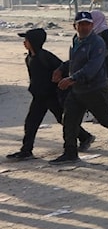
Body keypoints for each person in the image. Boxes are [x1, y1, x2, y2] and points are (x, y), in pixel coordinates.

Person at [49, 11, 108, 164]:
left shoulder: (97, 43)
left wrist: (72, 79)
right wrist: (61, 68)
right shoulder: (75, 40)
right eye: (81, 25)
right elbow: (74, 62)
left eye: (87, 24)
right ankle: (70, 152)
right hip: (78, 89)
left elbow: (92, 67)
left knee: (106, 119)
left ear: (92, 26)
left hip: (95, 89)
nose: (84, 28)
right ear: (75, 26)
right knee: (69, 119)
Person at [7, 28, 94, 161]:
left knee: (63, 120)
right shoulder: (29, 58)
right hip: (39, 97)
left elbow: (63, 68)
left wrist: (62, 82)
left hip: (52, 96)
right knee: (31, 122)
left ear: (34, 42)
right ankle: (26, 150)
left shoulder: (44, 56)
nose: (24, 43)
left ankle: (85, 137)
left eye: (27, 40)